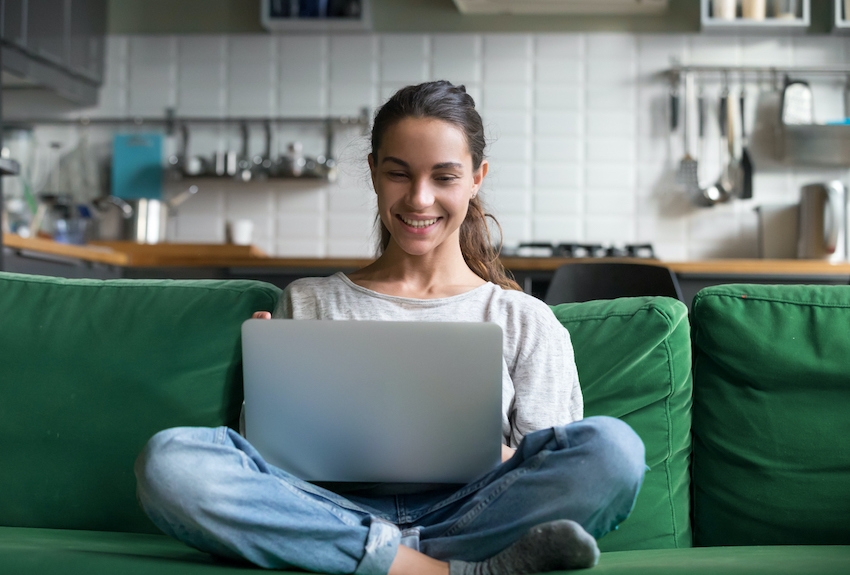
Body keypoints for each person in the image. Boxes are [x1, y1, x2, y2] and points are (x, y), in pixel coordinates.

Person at [135, 80, 646, 575]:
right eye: (399, 173)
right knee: (172, 461)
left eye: (444, 177)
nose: (419, 200)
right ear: (375, 172)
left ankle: (373, 561)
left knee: (614, 450)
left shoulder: (524, 319)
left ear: (477, 178)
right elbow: (267, 469)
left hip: (469, 516)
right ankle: (440, 570)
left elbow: (547, 466)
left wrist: (474, 448)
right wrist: (269, 386)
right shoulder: (310, 300)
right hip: (330, 512)